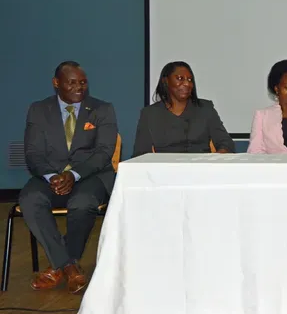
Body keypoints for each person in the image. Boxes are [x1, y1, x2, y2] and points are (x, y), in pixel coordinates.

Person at [20, 61, 118, 293]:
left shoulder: (102, 109)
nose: (79, 88)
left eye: (83, 83)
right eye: (72, 83)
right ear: (56, 84)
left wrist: (73, 174)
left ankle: (57, 268)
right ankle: (68, 265)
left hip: (90, 176)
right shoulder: (38, 110)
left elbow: (104, 152)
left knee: (82, 202)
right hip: (49, 176)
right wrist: (52, 176)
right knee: (30, 199)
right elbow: (32, 152)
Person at [132, 61, 235, 156]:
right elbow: (141, 154)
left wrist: (215, 159)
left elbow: (226, 143)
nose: (187, 84)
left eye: (190, 80)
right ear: (166, 81)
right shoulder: (150, 114)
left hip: (201, 170)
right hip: (165, 172)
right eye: (180, 78)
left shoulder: (205, 109)